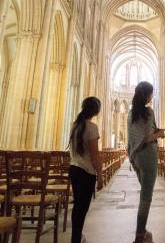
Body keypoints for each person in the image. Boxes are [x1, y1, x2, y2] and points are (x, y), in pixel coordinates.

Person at [127, 81, 165, 243]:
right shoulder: (148, 112)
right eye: (152, 93)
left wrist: (132, 157)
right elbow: (148, 137)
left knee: (145, 192)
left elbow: (134, 138)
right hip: (148, 156)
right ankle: (140, 234)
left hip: (135, 157)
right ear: (147, 95)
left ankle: (142, 230)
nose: (152, 96)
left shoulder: (131, 113)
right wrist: (160, 134)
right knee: (146, 197)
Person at [69, 97, 103, 243]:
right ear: (96, 111)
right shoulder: (92, 127)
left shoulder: (74, 125)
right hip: (86, 172)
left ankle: (76, 236)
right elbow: (95, 155)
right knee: (82, 208)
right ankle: (76, 238)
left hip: (74, 168)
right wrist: (100, 176)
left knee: (77, 206)